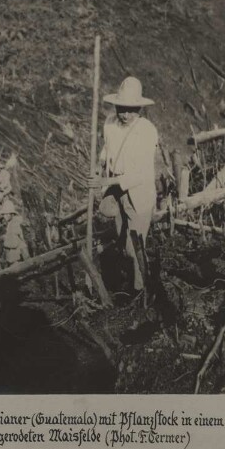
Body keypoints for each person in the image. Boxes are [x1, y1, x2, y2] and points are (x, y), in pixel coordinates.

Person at [88, 76, 158, 291]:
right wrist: (98, 171)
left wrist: (108, 180)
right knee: (119, 238)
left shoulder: (147, 131)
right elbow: (105, 152)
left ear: (140, 108)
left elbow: (141, 173)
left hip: (139, 191)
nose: (126, 114)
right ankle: (125, 281)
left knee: (133, 246)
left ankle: (140, 290)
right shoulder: (110, 123)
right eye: (121, 108)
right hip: (116, 188)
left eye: (131, 109)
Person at [0, 199, 30, 265]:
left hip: (18, 258)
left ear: (11, 214)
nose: (4, 216)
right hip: (18, 257)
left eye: (6, 214)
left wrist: (4, 240)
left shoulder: (15, 223)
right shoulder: (11, 222)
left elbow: (14, 243)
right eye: (4, 214)